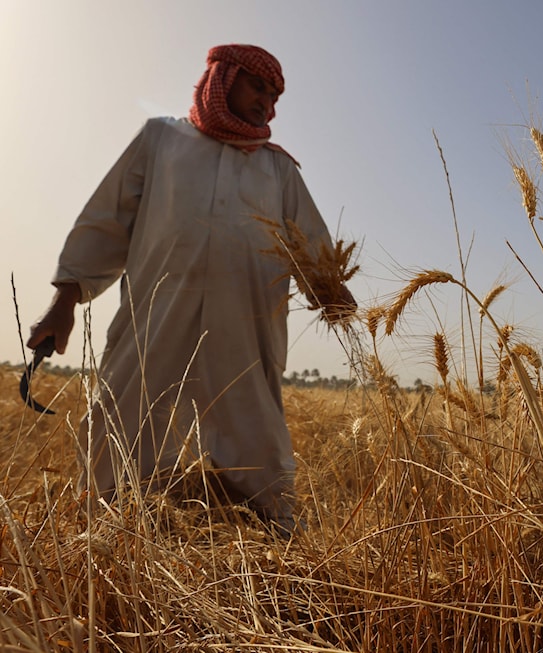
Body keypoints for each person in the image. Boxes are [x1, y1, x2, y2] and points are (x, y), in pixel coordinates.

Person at [27, 44, 352, 532]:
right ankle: (105, 545)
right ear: (224, 77)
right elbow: (107, 221)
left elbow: (312, 246)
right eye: (258, 85)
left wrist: (330, 290)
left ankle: (279, 558)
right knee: (118, 432)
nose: (269, 101)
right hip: (155, 319)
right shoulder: (162, 140)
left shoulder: (278, 168)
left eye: (275, 94)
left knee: (257, 447)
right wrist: (64, 301)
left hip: (245, 332)